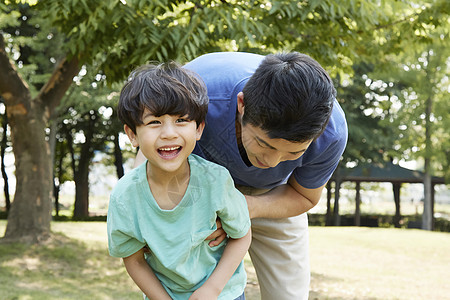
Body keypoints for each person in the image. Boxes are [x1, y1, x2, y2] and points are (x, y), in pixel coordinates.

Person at [136, 52, 348, 300]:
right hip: (195, 187)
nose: (271, 162)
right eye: (264, 144)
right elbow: (152, 144)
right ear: (241, 104)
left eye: (293, 152)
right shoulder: (195, 90)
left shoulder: (332, 133)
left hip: (273, 197)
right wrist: (149, 212)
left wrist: (239, 207)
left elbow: (304, 196)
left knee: (289, 295)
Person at [107, 62, 252, 300]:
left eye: (181, 120)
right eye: (155, 122)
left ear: (199, 129)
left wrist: (211, 290)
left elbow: (242, 235)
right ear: (132, 134)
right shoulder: (125, 196)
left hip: (223, 293)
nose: (169, 133)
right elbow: (133, 259)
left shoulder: (215, 180)